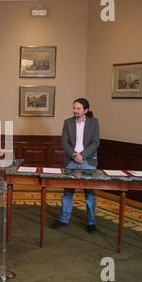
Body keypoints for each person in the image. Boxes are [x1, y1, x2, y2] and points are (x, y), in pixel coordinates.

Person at [51, 98, 100, 233]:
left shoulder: (94, 122)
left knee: (89, 194)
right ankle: (63, 219)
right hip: (71, 161)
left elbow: (95, 143)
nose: (75, 111)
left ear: (85, 110)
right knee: (68, 193)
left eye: (78, 109)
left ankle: (91, 223)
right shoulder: (67, 122)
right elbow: (64, 142)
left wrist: (82, 155)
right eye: (74, 108)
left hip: (88, 162)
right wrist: (74, 155)